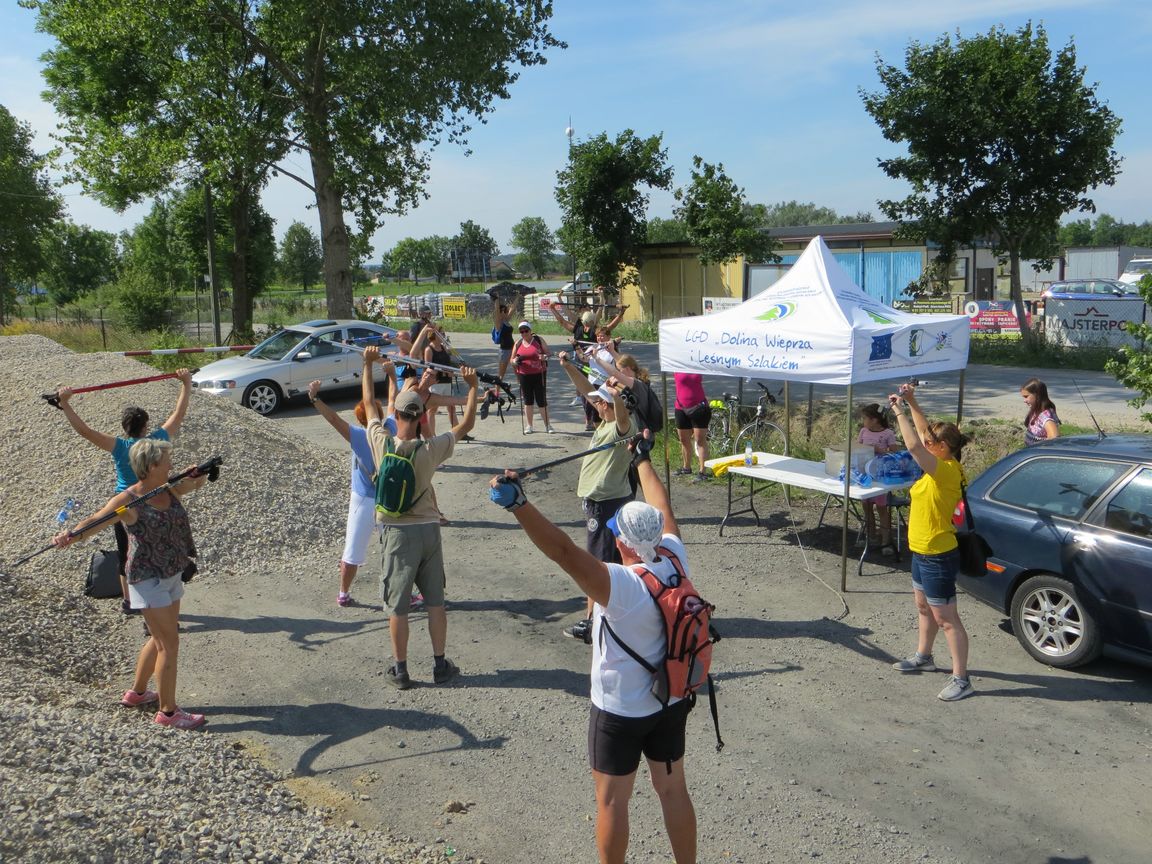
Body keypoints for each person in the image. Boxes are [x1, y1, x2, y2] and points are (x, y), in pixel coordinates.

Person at [488, 436, 698, 864]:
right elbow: (663, 505)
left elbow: (563, 552)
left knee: (613, 801)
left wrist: (518, 504)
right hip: (672, 699)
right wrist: (641, 458)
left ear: (622, 542)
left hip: (620, 711)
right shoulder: (675, 559)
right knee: (673, 789)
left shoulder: (619, 585)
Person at [53, 439, 210, 729]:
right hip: (147, 578)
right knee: (169, 644)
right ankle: (168, 713)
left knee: (161, 637)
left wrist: (198, 474)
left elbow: (194, 484)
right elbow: (97, 519)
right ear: (151, 466)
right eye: (166, 460)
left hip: (171, 572)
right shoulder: (129, 500)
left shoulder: (168, 488)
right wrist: (70, 535)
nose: (171, 464)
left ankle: (137, 693)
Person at [360, 346, 478, 689]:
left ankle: (401, 670)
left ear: (396, 414)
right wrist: (472, 388)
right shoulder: (431, 449)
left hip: (396, 532)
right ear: (422, 416)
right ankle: (440, 665)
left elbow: (368, 404)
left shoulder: (382, 443)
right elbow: (466, 424)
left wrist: (367, 365)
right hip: (428, 529)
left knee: (397, 605)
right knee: (435, 601)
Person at [54, 369, 193, 613]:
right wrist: (186, 384)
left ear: (125, 427)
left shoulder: (118, 445)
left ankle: (129, 602)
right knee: (152, 553)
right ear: (146, 425)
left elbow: (85, 431)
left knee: (125, 554)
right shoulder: (155, 443)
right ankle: (155, 601)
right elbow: (178, 415)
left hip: (124, 506)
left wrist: (65, 405)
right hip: (153, 505)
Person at [887, 383, 974, 702]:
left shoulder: (946, 471)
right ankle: (924, 657)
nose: (925, 442)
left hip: (938, 555)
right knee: (924, 608)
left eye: (931, 442)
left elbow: (914, 445)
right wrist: (912, 401)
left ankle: (962, 679)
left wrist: (898, 412)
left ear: (943, 447)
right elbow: (923, 433)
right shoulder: (939, 460)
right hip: (921, 552)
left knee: (947, 620)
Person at [556, 361, 637, 643]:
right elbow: (586, 390)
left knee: (596, 564)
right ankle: (609, 616)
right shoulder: (605, 422)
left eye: (603, 402)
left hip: (606, 503)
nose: (597, 404)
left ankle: (592, 622)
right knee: (609, 562)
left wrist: (616, 397)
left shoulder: (621, 427)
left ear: (612, 406)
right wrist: (568, 367)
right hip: (599, 502)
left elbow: (623, 419)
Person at [858, 403, 899, 555]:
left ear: (874, 420)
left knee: (882, 508)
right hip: (865, 475)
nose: (863, 421)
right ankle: (871, 536)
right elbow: (858, 448)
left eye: (865, 418)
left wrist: (880, 450)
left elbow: (895, 453)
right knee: (866, 507)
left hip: (881, 477)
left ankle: (886, 542)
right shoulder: (863, 431)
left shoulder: (888, 433)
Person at [511, 321, 555, 434]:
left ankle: (548, 425)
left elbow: (549, 353)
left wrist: (544, 357)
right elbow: (511, 360)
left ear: (530, 331)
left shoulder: (538, 340)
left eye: (526, 330)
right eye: (521, 331)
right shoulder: (518, 343)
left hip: (539, 373)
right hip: (524, 375)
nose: (524, 333)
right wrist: (515, 361)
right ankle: (529, 426)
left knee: (541, 400)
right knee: (528, 400)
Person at [673, 373, 710, 478]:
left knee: (700, 440)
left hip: (699, 407)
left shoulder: (697, 365)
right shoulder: (677, 366)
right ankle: (686, 467)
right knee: (684, 439)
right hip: (681, 407)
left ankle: (702, 471)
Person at [424, 329, 458, 436]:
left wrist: (451, 371)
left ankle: (457, 432)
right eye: (441, 334)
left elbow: (450, 362)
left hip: (447, 381)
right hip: (436, 382)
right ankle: (431, 435)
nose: (443, 335)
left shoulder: (444, 347)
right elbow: (427, 367)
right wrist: (441, 371)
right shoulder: (429, 349)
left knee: (451, 407)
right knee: (432, 409)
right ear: (434, 335)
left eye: (443, 333)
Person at [1021, 377, 1060, 445]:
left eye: (1026, 396)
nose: (1024, 400)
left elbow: (1054, 438)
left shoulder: (1045, 416)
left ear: (1037, 395)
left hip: (1038, 451)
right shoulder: (1035, 410)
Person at [493, 303, 516, 380]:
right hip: (504, 350)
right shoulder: (498, 323)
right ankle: (497, 387)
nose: (503, 312)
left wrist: (518, 297)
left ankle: (522, 386)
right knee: (501, 375)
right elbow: (496, 311)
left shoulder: (506, 320)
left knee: (518, 370)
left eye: (505, 311)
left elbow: (512, 309)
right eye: (501, 311)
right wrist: (496, 300)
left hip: (513, 349)